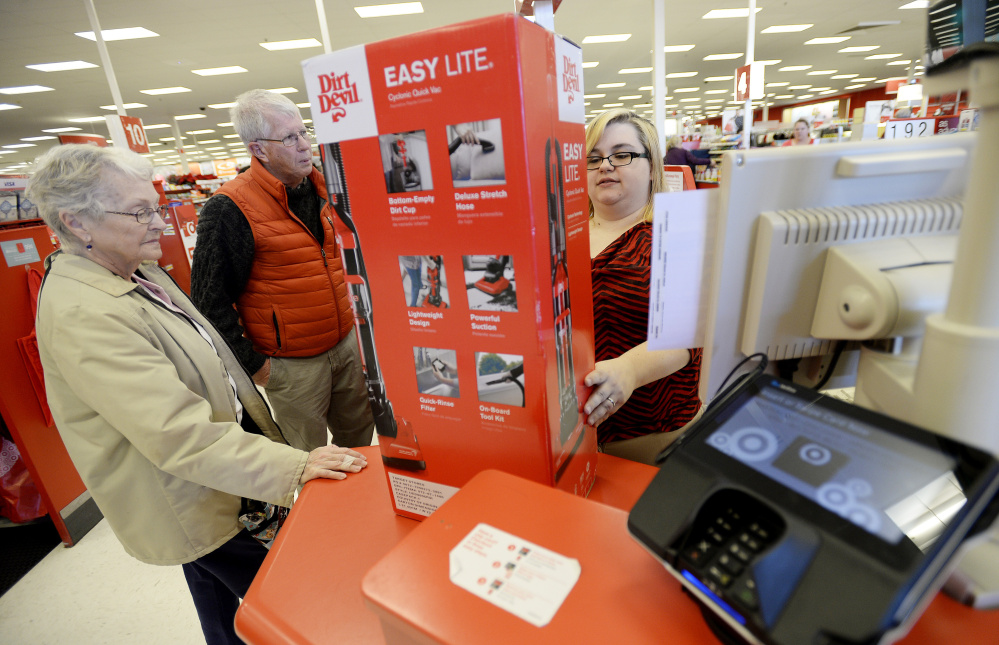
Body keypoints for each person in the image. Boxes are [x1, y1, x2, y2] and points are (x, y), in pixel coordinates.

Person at [27, 144, 368, 645]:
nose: (161, 222)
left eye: (156, 207)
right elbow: (178, 435)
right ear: (77, 222)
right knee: (295, 606)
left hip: (211, 485)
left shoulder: (136, 272)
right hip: (187, 496)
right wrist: (295, 467)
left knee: (218, 607)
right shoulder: (87, 313)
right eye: (141, 212)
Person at [190, 89, 373, 453]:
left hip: (347, 345)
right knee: (309, 461)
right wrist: (256, 367)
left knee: (360, 444)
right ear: (258, 149)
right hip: (292, 367)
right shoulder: (229, 208)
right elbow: (209, 302)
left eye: (304, 132)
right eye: (290, 138)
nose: (305, 145)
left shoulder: (328, 189)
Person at [583, 108, 702, 465]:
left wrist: (630, 369)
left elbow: (688, 336)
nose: (605, 165)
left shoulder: (675, 233)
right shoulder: (562, 235)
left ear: (652, 169)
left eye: (622, 155)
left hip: (651, 437)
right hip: (575, 436)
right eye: (593, 158)